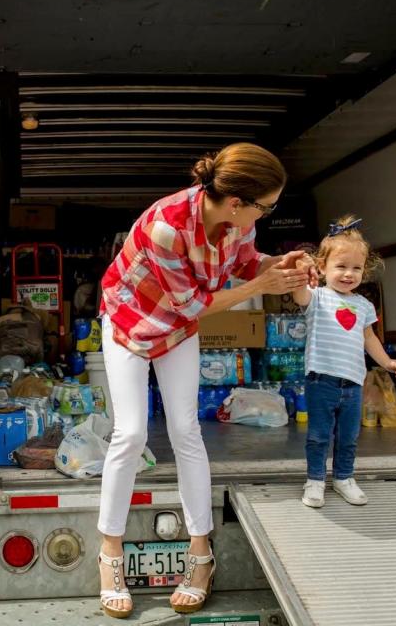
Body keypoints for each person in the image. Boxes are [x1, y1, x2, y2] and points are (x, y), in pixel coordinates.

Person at [96, 143, 317, 618]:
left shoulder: (242, 220)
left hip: (176, 328)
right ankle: (109, 554)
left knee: (185, 430)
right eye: (268, 205)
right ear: (236, 201)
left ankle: (201, 556)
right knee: (130, 432)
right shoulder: (166, 227)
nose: (269, 212)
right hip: (130, 320)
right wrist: (262, 288)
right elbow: (192, 306)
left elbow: (244, 262)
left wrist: (279, 266)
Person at [290, 216, 396, 509]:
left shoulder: (364, 306)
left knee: (349, 437)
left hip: (354, 383)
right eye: (340, 267)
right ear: (323, 268)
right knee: (318, 436)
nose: (348, 274)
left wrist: (387, 362)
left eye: (356, 268)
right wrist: (301, 274)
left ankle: (344, 478)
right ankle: (315, 480)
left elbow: (370, 339)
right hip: (321, 381)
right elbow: (299, 294)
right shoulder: (316, 297)